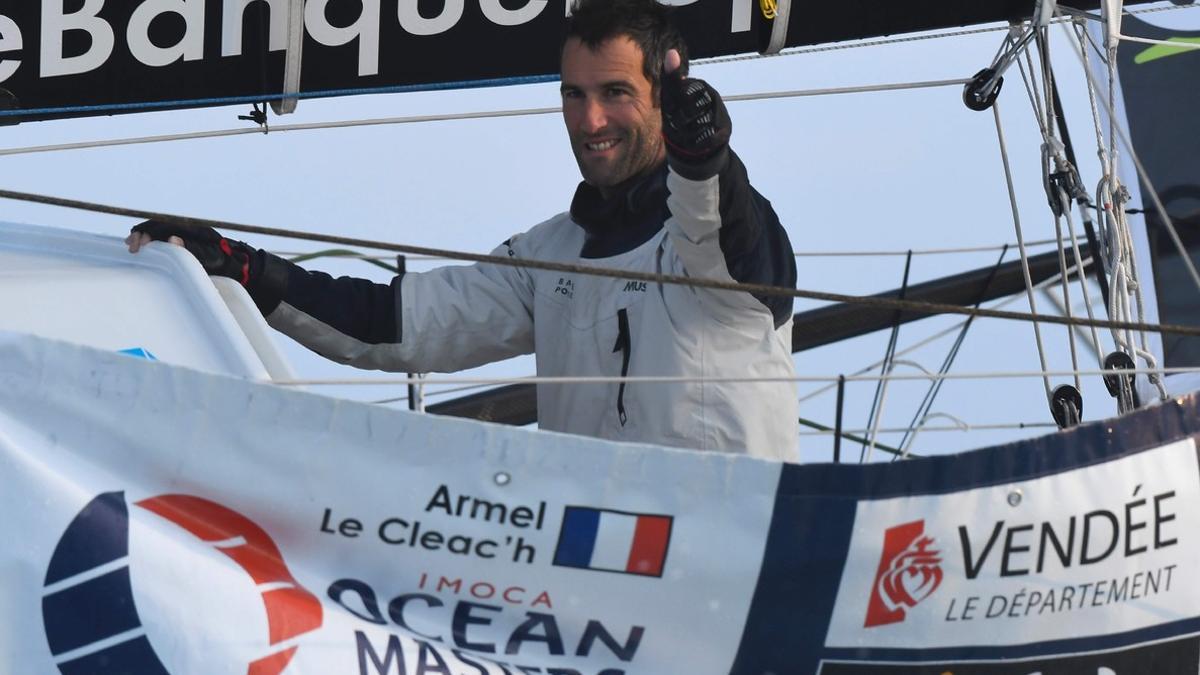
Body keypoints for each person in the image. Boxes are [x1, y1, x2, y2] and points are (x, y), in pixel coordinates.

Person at [127, 0, 800, 461]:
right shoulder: (550, 255)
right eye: (573, 94)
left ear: (666, 96)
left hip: (733, 578)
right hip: (603, 595)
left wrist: (704, 157)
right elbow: (393, 325)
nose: (590, 120)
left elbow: (713, 225)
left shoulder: (720, 239)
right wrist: (242, 268)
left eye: (616, 93)